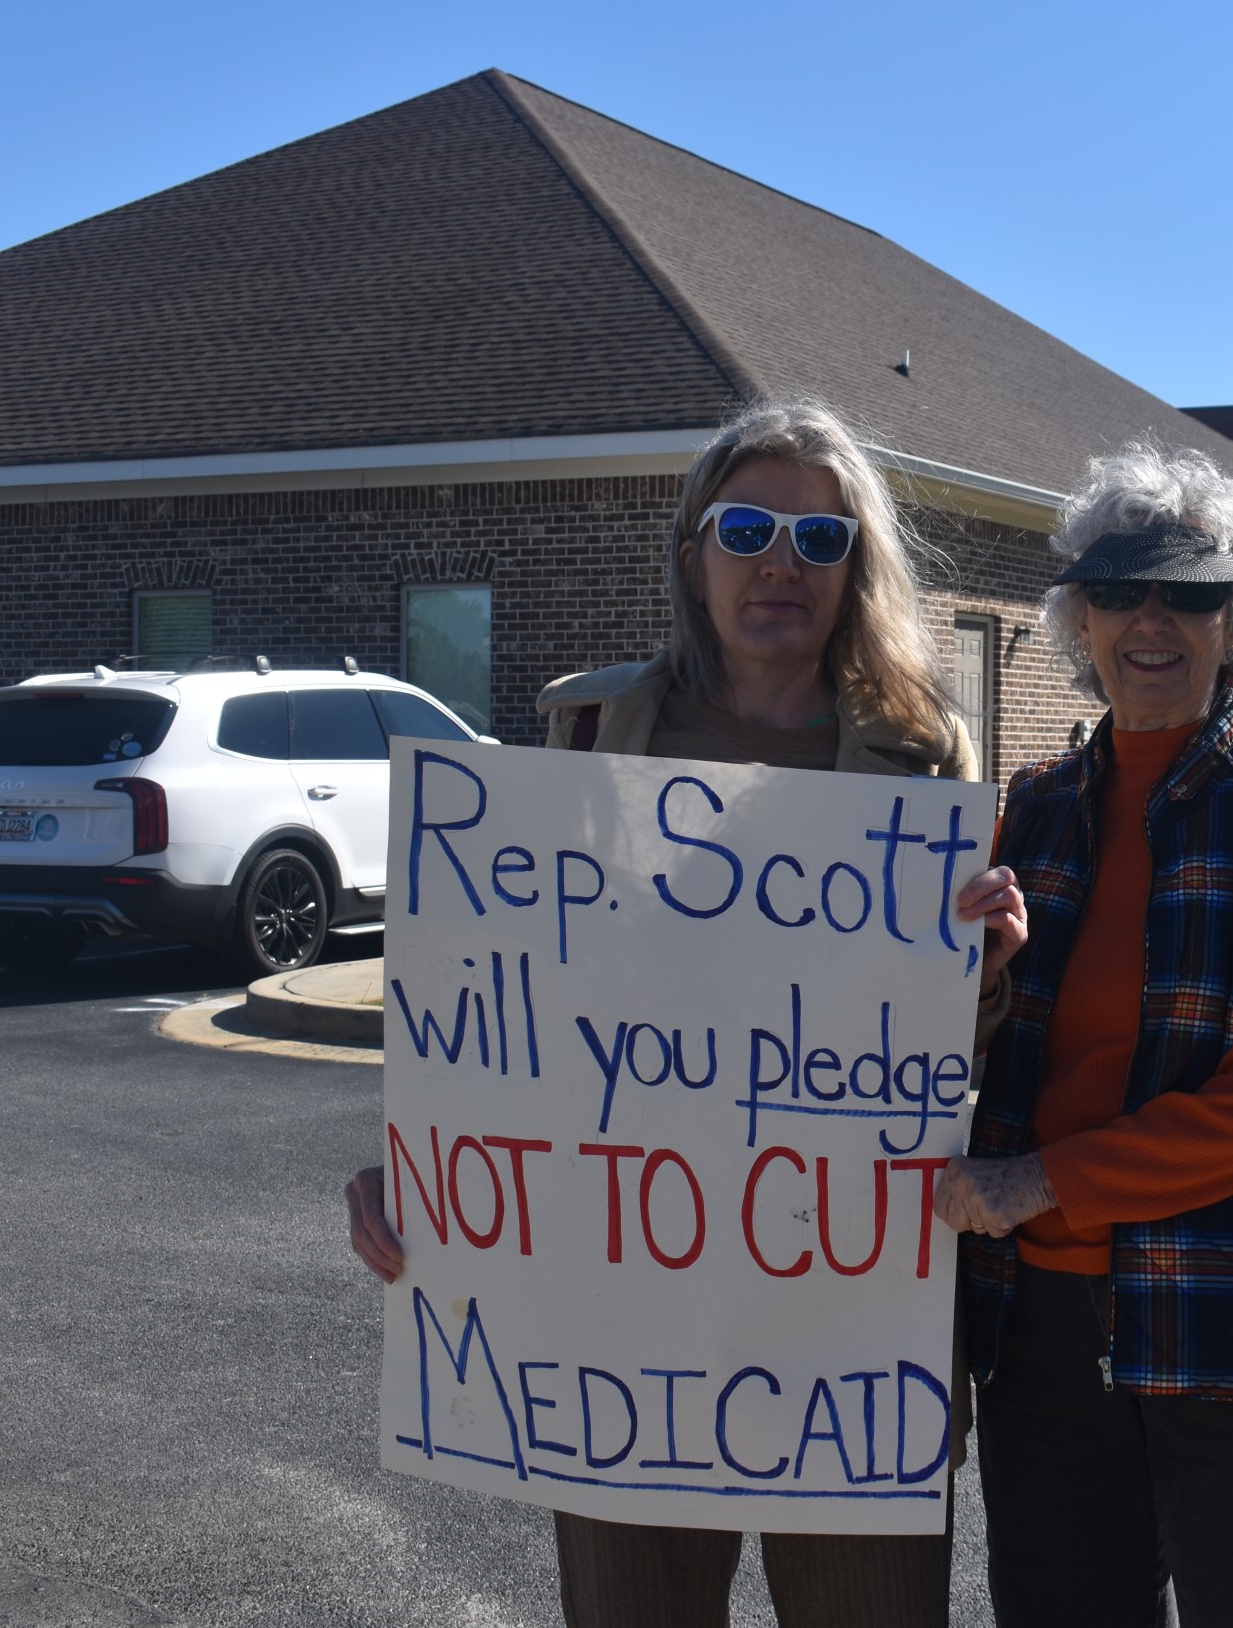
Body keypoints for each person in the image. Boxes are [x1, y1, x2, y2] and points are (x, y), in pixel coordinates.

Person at [344, 400, 1027, 1628]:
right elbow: (506, 1013)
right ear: (690, 553)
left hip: (844, 1320)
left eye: (821, 541)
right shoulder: (588, 731)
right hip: (618, 1331)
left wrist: (977, 965)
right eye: (751, 528)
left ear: (854, 569)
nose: (782, 563)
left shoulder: (930, 760)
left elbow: (950, 1053)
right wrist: (421, 1161)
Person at [934, 442, 1233, 1627]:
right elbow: (950, 1054)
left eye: (1189, 591)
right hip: (1042, 1336)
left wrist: (1048, 1180)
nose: (1152, 620)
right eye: (1118, 588)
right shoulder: (1026, 808)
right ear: (1077, 619)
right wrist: (968, 979)